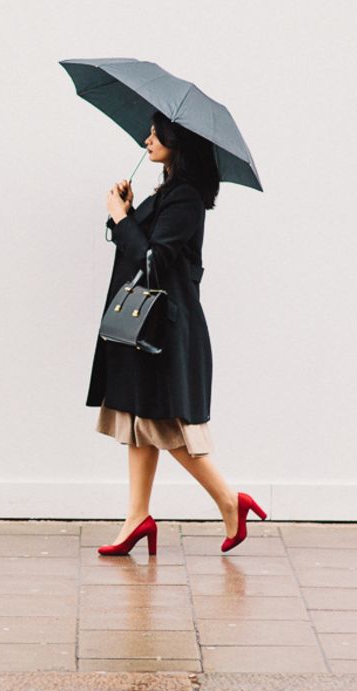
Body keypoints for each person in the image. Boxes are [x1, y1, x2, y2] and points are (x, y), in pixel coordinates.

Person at [86, 111, 266, 556]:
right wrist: (125, 214)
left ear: (177, 139)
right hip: (147, 328)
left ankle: (229, 500)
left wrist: (120, 219)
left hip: (164, 332)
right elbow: (143, 248)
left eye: (156, 131)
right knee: (139, 420)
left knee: (166, 427)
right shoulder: (168, 191)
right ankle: (137, 518)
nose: (147, 138)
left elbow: (153, 263)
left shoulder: (184, 197)